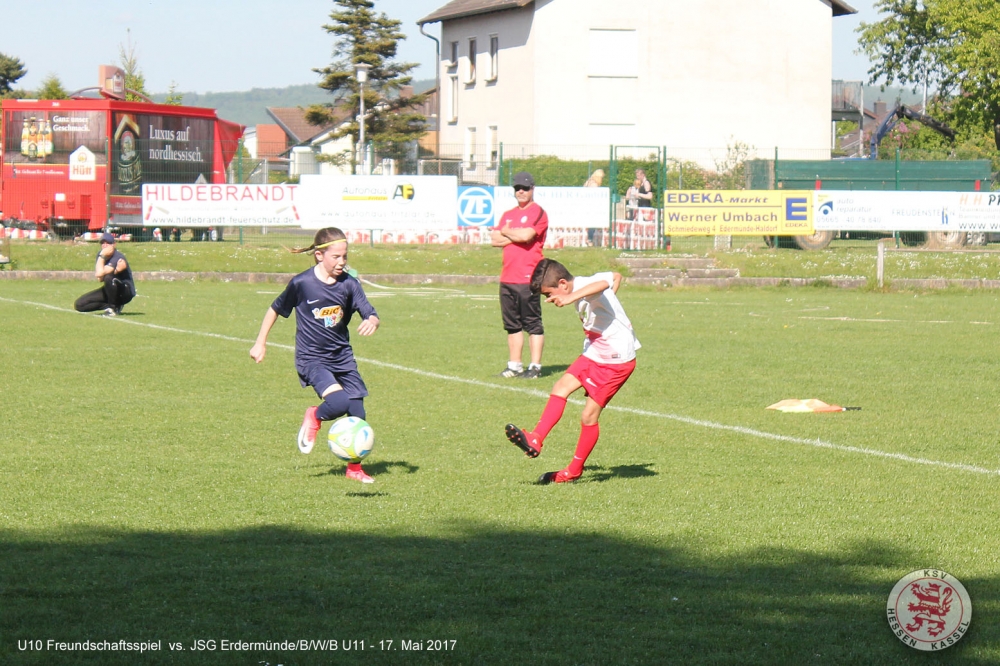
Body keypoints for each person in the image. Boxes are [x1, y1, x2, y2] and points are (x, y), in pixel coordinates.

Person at [249, 227, 381, 484]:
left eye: (345, 256)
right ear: (320, 255)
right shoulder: (302, 283)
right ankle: (314, 416)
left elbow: (370, 312)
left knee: (357, 413)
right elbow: (275, 309)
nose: (342, 262)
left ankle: (354, 469)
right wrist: (260, 343)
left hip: (342, 357)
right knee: (339, 403)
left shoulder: (349, 284)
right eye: (336, 257)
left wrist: (372, 321)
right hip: (312, 358)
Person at [504, 258, 640, 484]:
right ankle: (535, 438)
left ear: (563, 284)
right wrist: (609, 305)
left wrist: (572, 298)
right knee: (560, 387)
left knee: (588, 417)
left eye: (549, 294)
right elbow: (616, 276)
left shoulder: (587, 286)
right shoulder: (583, 286)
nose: (549, 299)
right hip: (596, 350)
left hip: (615, 359)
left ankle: (573, 471)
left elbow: (605, 282)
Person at [491, 171, 548, 379]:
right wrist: (515, 235)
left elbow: (527, 235)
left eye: (525, 188)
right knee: (512, 325)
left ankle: (535, 366)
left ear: (532, 189)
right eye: (517, 188)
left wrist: (508, 232)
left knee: (532, 323)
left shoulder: (538, 212)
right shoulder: (508, 214)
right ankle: (514, 365)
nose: (521, 191)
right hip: (507, 277)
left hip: (528, 276)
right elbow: (495, 239)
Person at [73, 232, 135, 316]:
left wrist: (102, 258)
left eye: (108, 243)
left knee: (109, 278)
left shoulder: (117, 256)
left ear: (114, 245)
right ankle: (115, 305)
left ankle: (113, 309)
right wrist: (102, 257)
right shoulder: (101, 255)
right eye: (103, 243)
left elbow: (100, 274)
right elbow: (100, 278)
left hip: (125, 291)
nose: (105, 246)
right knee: (79, 305)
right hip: (110, 290)